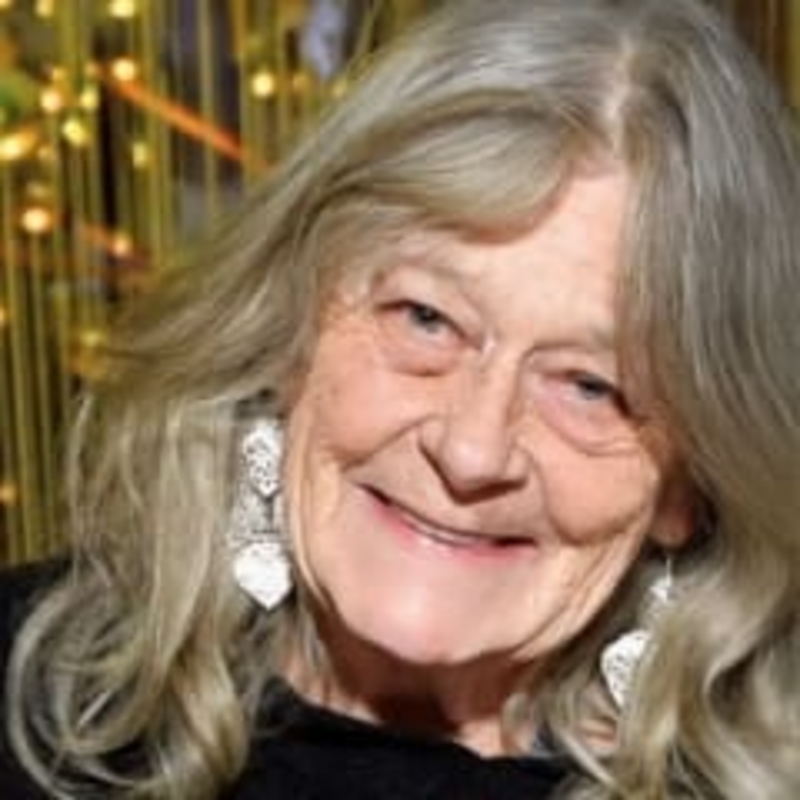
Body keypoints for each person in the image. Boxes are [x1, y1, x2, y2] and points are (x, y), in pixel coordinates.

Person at [2, 0, 799, 797]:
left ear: (688, 485)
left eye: (591, 386)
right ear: (289, 329)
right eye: (426, 319)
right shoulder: (28, 695)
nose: (471, 451)